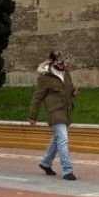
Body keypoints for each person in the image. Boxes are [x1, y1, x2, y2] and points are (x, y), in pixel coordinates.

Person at [28, 50, 80, 181]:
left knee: (58, 140)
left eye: (63, 62)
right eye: (59, 63)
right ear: (52, 62)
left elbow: (68, 90)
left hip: (67, 111)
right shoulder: (44, 77)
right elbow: (37, 97)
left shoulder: (66, 73)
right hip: (55, 112)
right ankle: (67, 171)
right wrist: (32, 116)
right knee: (63, 140)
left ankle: (45, 163)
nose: (62, 65)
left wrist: (73, 92)